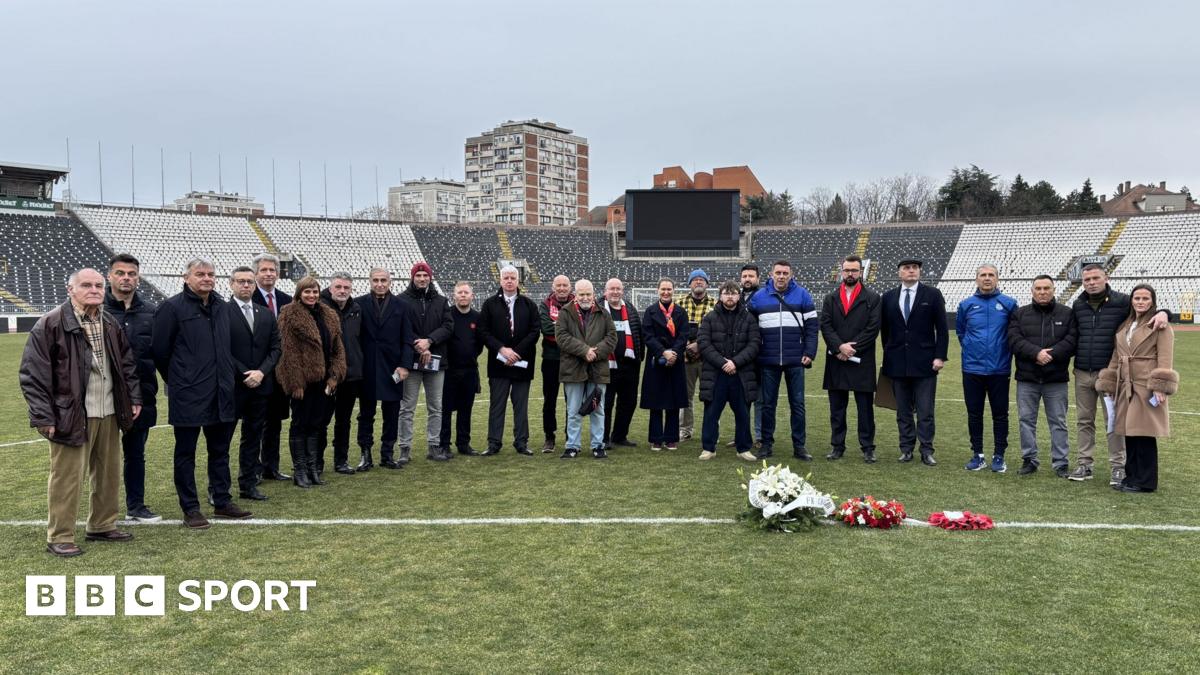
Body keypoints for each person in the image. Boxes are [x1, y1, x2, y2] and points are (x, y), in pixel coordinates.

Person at [20, 268, 142, 557]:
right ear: (70, 289)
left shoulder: (109, 321)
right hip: (71, 413)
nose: (94, 290)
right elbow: (33, 375)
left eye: (99, 285)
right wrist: (44, 416)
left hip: (109, 410)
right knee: (67, 477)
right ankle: (60, 536)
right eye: (86, 285)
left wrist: (133, 397)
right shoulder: (51, 323)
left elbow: (126, 364)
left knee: (108, 473)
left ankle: (102, 525)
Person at [153, 258, 252, 529]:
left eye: (210, 274)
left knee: (220, 450)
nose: (207, 278)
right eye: (200, 274)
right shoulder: (172, 307)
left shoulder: (222, 307)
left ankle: (222, 501)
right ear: (186, 278)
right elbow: (160, 351)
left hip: (221, 392)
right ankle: (191, 508)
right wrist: (180, 379)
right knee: (186, 453)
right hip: (189, 393)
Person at [1067, 264, 1169, 485]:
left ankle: (1118, 467)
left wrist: (1164, 312)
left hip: (1113, 374)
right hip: (1083, 371)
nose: (1091, 283)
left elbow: (1145, 307)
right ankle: (1084, 464)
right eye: (1087, 279)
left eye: (1095, 278)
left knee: (1113, 422)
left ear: (1106, 278)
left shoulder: (1122, 301)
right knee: (1084, 420)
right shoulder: (1078, 304)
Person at [1095, 284, 1177, 493]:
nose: (1140, 302)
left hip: (1146, 385)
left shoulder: (1160, 326)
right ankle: (1131, 477)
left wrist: (1160, 386)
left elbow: (1165, 358)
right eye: (1137, 298)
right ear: (1131, 300)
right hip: (1125, 385)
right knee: (1129, 432)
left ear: (1152, 301)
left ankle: (1146, 482)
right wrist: (1110, 383)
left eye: (1145, 298)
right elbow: (1116, 356)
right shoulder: (1126, 324)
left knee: (1144, 434)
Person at [104, 253, 161, 522]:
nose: (126, 278)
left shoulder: (152, 311)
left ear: (138, 278)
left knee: (136, 454)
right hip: (103, 396)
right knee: (102, 457)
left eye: (131, 274)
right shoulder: (96, 309)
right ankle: (103, 511)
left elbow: (161, 353)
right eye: (120, 273)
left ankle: (136, 506)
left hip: (142, 396)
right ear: (109, 276)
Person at [276, 276, 347, 488]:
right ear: (299, 293)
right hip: (303, 382)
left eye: (315, 291)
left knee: (317, 424)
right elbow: (287, 351)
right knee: (300, 424)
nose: (312, 295)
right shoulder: (289, 314)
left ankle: (313, 468)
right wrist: (295, 383)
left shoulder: (328, 314)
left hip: (323, 382)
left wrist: (334, 376)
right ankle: (300, 470)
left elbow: (338, 349)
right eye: (307, 291)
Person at [748, 260, 819, 460]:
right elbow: (751, 329)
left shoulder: (803, 295)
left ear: (791, 275)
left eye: (785, 273)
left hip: (795, 359)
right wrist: (757, 352)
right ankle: (766, 445)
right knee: (768, 405)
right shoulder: (759, 297)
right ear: (771, 274)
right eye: (778, 273)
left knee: (797, 404)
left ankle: (799, 446)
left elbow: (812, 327)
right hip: (768, 359)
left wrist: (809, 352)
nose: (781, 276)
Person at [880, 258, 948, 466]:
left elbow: (942, 329)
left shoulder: (933, 294)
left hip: (925, 363)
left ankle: (926, 450)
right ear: (899, 272)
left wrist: (940, 356)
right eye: (907, 268)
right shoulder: (888, 297)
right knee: (903, 411)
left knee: (925, 411)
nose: (911, 271)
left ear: (919, 272)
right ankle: (906, 449)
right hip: (897, 364)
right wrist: (889, 354)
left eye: (915, 268)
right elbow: (885, 331)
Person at [1007, 275, 1076, 477]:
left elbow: (1072, 340)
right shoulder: (1020, 314)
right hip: (1027, 378)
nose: (1043, 292)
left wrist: (1050, 355)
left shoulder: (1067, 313)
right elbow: (1014, 340)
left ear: (1054, 290)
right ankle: (1029, 459)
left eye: (1047, 288)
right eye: (1038, 288)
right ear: (1032, 291)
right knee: (1026, 420)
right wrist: (1036, 353)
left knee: (1058, 422)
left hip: (1056, 379)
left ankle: (1061, 463)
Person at [818, 255, 882, 463]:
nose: (850, 274)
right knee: (837, 409)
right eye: (847, 270)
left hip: (861, 360)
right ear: (841, 271)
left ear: (861, 272)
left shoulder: (872, 298)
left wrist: (851, 349)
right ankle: (837, 446)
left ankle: (868, 448)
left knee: (865, 409)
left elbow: (873, 328)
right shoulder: (831, 298)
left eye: (854, 270)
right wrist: (839, 347)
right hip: (836, 359)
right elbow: (826, 325)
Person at [225, 266, 281, 501]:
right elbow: (222, 349)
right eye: (241, 281)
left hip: (260, 387)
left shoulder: (265, 314)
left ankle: (248, 485)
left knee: (252, 438)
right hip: (232, 387)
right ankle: (218, 489)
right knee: (222, 441)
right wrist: (244, 373)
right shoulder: (222, 312)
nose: (246, 285)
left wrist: (261, 372)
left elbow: (276, 348)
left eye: (249, 281)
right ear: (231, 284)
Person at [957, 264, 1018, 473]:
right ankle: (978, 455)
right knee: (974, 413)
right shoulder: (966, 305)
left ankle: (999, 455)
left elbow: (1014, 333)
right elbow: (961, 333)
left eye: (991, 275)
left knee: (1000, 414)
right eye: (983, 275)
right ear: (976, 279)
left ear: (997, 279)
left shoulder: (1009, 304)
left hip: (999, 369)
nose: (987, 278)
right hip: (971, 369)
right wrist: (972, 350)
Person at [478, 265, 540, 455]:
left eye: (513, 277)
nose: (510, 281)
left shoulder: (529, 304)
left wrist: (517, 352)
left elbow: (534, 331)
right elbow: (483, 331)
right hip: (498, 364)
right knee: (497, 405)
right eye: (506, 278)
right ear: (500, 280)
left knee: (521, 406)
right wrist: (502, 349)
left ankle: (521, 442)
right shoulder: (489, 304)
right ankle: (494, 443)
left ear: (518, 280)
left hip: (522, 364)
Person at [356, 267, 412, 470]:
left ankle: (387, 454)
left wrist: (405, 365)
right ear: (370, 281)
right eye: (376, 280)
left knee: (392, 413)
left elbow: (407, 339)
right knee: (365, 414)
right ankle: (365, 454)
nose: (379, 284)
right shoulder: (359, 304)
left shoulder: (402, 306)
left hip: (393, 368)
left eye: (383, 280)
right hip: (367, 367)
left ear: (390, 282)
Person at [697, 280, 760, 461]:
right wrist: (723, 363)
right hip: (716, 374)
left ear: (739, 296)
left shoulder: (749, 318)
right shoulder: (709, 318)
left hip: (741, 374)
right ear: (720, 296)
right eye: (726, 293)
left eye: (733, 293)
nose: (730, 296)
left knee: (742, 413)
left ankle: (743, 448)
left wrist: (735, 363)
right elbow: (704, 343)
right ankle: (708, 448)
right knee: (711, 413)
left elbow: (754, 344)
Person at [555, 279, 617, 459]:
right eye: (581, 294)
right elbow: (562, 337)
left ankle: (598, 445)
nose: (585, 297)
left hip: (597, 369)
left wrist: (595, 353)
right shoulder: (565, 313)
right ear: (575, 295)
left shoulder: (603, 313)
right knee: (573, 410)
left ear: (593, 294)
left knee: (598, 409)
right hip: (573, 369)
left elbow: (612, 338)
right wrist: (584, 351)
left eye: (588, 294)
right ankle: (572, 446)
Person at [399, 262, 454, 462]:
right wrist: (419, 345)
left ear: (430, 277)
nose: (422, 279)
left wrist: (429, 341)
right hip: (411, 362)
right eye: (418, 275)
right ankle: (404, 448)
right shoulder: (401, 300)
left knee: (436, 407)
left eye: (425, 275)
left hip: (436, 361)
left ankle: (434, 446)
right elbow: (401, 327)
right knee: (407, 408)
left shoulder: (441, 301)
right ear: (412, 277)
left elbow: (448, 326)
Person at [251, 252, 293, 482]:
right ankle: (253, 469)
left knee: (275, 422)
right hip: (257, 370)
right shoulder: (248, 297)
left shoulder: (287, 300)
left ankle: (271, 467)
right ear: (255, 273)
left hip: (280, 372)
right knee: (255, 423)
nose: (268, 274)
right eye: (264, 270)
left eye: (272, 270)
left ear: (278, 273)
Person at [320, 272, 364, 474]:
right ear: (330, 288)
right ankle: (317, 462)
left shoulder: (356, 309)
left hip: (351, 375)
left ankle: (341, 460)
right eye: (338, 287)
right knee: (322, 419)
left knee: (344, 420)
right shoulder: (320, 307)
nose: (342, 291)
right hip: (327, 376)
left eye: (346, 287)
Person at [640, 278, 689, 451]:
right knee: (656, 400)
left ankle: (671, 438)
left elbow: (684, 335)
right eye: (663, 289)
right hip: (656, 360)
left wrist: (674, 352)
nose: (666, 292)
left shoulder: (681, 312)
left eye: (669, 289)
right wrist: (663, 352)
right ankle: (656, 438)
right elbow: (647, 336)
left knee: (673, 400)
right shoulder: (650, 311)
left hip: (675, 360)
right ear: (657, 290)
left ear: (674, 290)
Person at [440, 281, 484, 456]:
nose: (463, 295)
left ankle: (463, 443)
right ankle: (444, 444)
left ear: (472, 296)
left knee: (466, 409)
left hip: (470, 370)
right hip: (449, 370)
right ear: (454, 296)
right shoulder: (447, 315)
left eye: (466, 292)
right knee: (445, 409)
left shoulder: (477, 317)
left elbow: (480, 344)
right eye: (460, 293)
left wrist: (470, 355)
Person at [601, 277, 643, 450]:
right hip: (606, 365)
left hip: (629, 365)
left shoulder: (630, 309)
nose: (615, 292)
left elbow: (638, 333)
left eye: (618, 289)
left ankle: (619, 436)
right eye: (612, 289)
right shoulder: (599, 308)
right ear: (605, 291)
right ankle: (603, 438)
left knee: (628, 402)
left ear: (623, 291)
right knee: (606, 403)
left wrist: (639, 356)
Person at [678, 269, 715, 442]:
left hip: (709, 359)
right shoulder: (679, 303)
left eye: (702, 279)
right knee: (685, 397)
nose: (698, 282)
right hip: (686, 359)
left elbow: (719, 330)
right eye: (695, 279)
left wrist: (700, 344)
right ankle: (685, 430)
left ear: (707, 284)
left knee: (711, 396)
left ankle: (712, 429)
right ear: (689, 283)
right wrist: (685, 345)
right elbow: (674, 329)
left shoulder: (716, 304)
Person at [539, 274, 573, 452]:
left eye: (564, 285)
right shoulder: (545, 304)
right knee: (549, 400)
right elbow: (546, 328)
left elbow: (582, 327)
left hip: (573, 359)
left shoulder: (576, 303)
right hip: (551, 359)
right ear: (553, 287)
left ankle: (570, 436)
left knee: (572, 401)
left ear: (570, 287)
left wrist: (558, 328)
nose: (561, 288)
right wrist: (568, 329)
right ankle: (549, 436)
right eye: (558, 285)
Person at [737, 263, 764, 448]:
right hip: (740, 356)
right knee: (741, 399)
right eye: (745, 276)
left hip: (760, 356)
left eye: (751, 276)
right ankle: (742, 435)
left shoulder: (764, 297)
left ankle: (760, 436)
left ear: (758, 278)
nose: (747, 279)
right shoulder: (735, 297)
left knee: (760, 399)